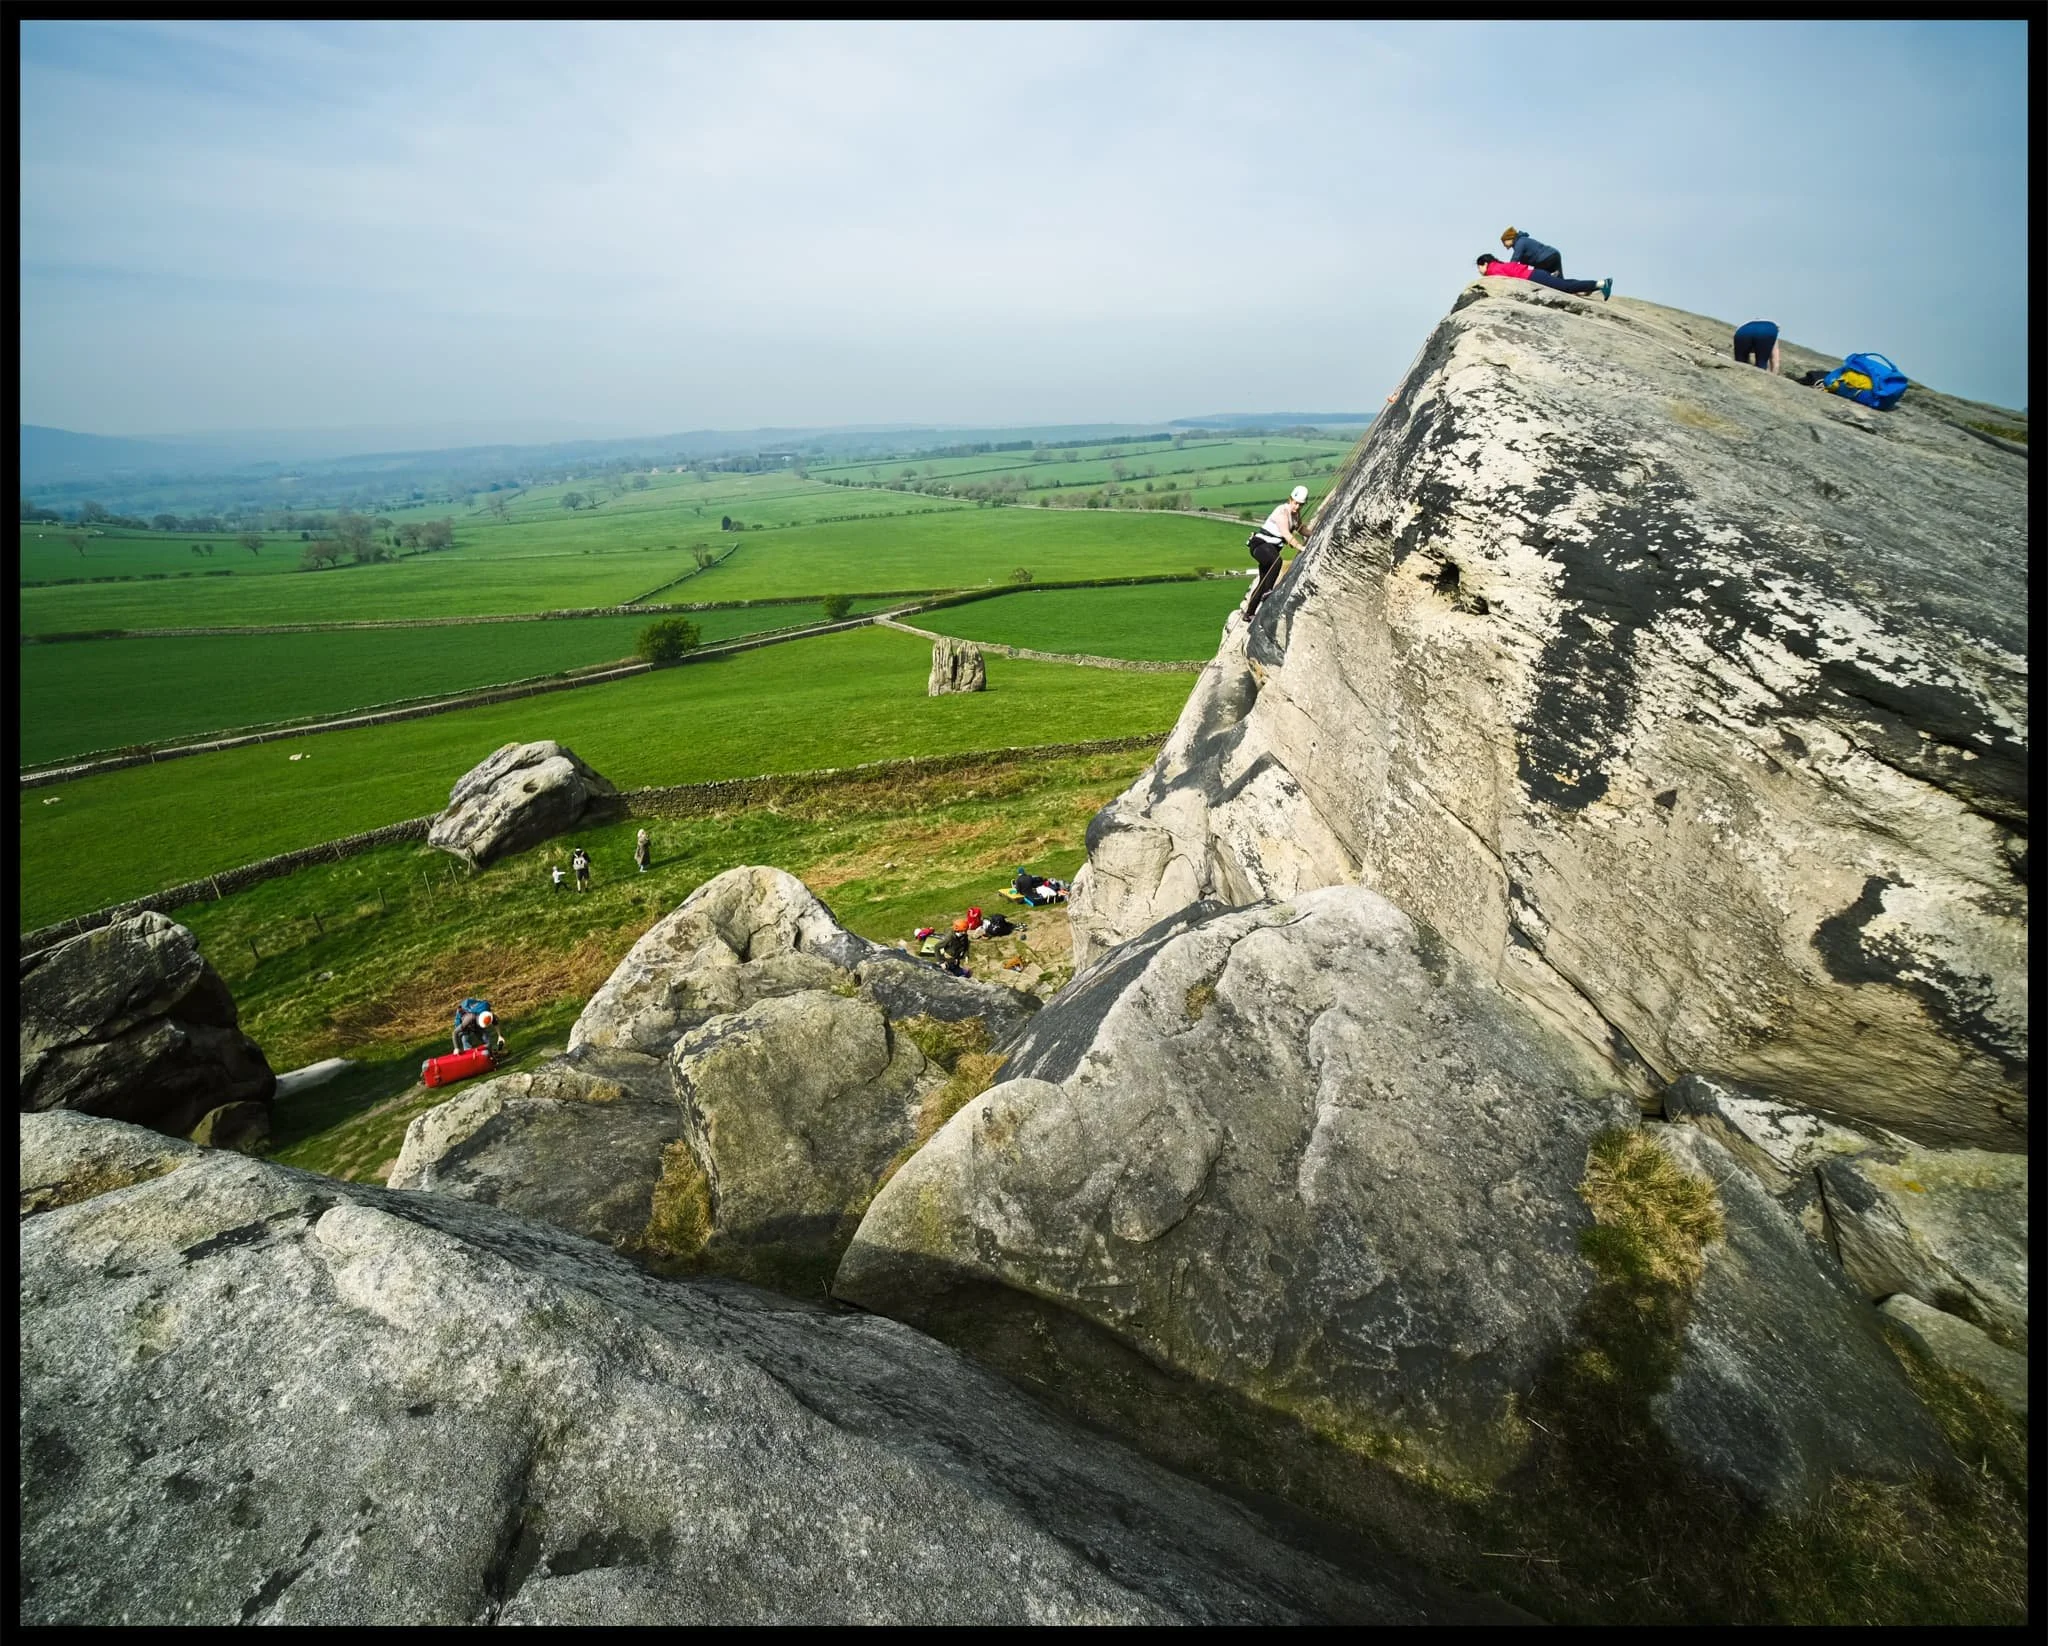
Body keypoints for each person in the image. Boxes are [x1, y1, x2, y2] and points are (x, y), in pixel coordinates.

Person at [1245, 485, 1309, 620]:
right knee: (1276, 562)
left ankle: (1249, 613)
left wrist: (1313, 534)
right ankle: (1268, 593)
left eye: (1300, 504)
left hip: (1269, 549)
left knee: (1263, 580)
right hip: (1260, 545)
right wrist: (1299, 546)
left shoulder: (1295, 515)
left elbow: (1301, 529)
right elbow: (1285, 532)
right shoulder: (1282, 511)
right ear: (1290, 499)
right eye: (1296, 503)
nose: (1297, 507)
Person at [1477, 255, 1611, 301]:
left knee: (1566, 287)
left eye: (1479, 267)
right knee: (1564, 284)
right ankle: (1595, 286)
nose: (1479, 271)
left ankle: (1601, 284)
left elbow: (1502, 283)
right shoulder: (1499, 265)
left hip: (1534, 277)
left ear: (1485, 264)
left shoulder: (1493, 269)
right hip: (1535, 273)